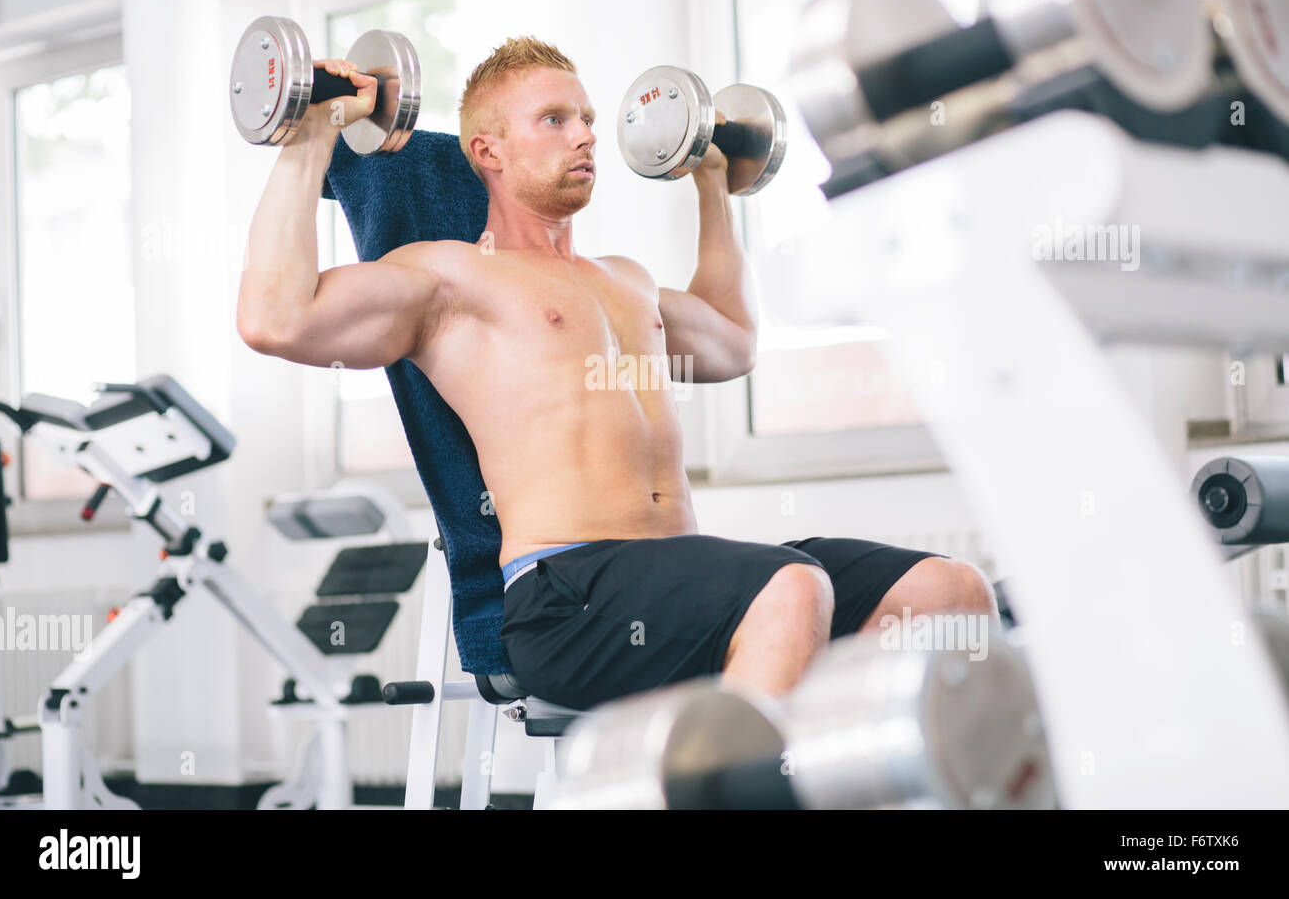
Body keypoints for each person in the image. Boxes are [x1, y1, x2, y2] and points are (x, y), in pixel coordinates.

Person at [238, 36, 998, 710]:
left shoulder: (625, 281)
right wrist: (309, 137)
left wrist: (712, 182)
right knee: (791, 587)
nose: (586, 137)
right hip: (564, 599)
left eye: (590, 119)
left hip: (675, 578)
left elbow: (733, 342)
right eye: (556, 120)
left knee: (949, 592)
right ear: (489, 152)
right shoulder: (451, 279)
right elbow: (275, 318)